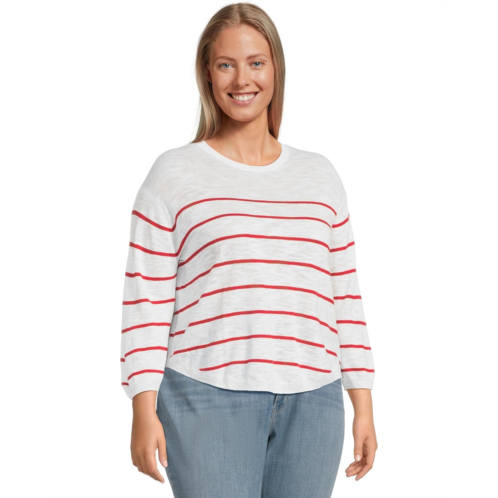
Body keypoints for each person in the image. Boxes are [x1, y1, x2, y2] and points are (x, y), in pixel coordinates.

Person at [120, 3, 377, 497]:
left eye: (256, 62)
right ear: (207, 73)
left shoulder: (320, 176)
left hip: (315, 400)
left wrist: (362, 403)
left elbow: (344, 295)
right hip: (205, 396)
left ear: (276, 68)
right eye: (226, 64)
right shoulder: (173, 174)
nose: (243, 79)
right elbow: (146, 301)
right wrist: (141, 406)